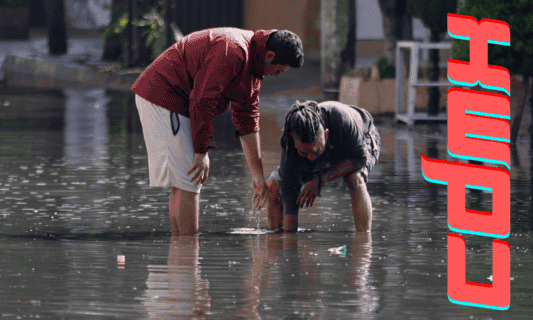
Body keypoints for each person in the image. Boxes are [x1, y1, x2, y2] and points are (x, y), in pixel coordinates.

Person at [132, 28, 304, 235]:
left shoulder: (253, 68)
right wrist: (201, 152)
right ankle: (187, 252)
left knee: (185, 182)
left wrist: (258, 175)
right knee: (190, 179)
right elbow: (203, 100)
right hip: (166, 95)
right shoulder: (233, 50)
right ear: (269, 56)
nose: (275, 76)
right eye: (278, 70)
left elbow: (247, 118)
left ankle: (180, 256)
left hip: (181, 102)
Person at [266, 100, 381, 233]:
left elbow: (359, 159)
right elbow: (289, 189)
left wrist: (321, 180)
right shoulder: (288, 141)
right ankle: (276, 240)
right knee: (273, 185)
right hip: (327, 151)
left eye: (315, 151)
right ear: (293, 139)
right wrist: (290, 238)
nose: (311, 158)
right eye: (304, 152)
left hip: (363, 142)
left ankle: (364, 243)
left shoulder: (341, 118)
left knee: (355, 178)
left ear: (325, 134)